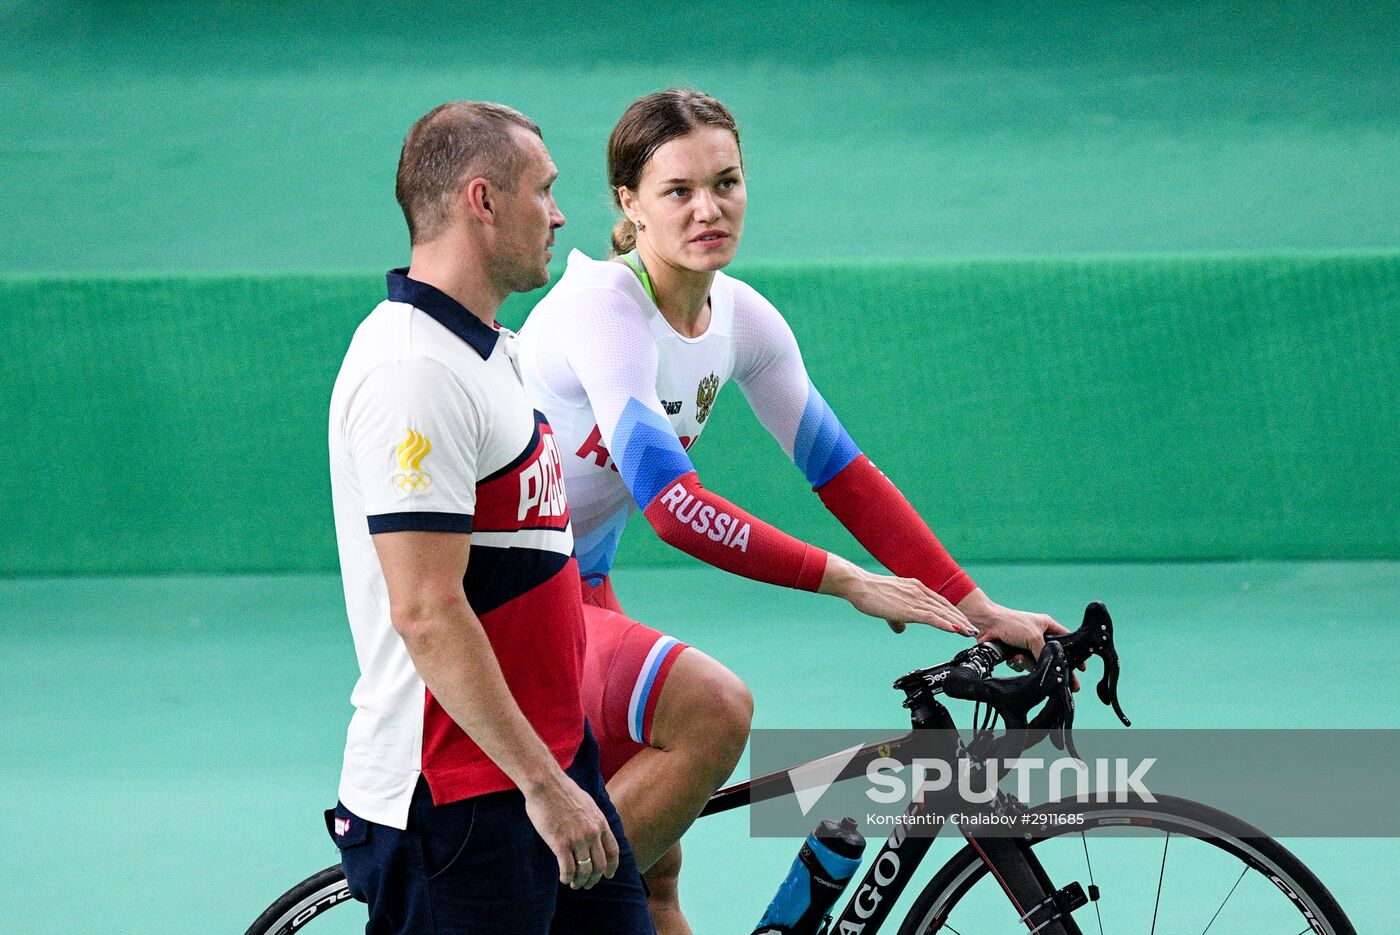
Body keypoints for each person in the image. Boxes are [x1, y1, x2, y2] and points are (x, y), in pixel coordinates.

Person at [516, 89, 1070, 934]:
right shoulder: (604, 310)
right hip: (512, 595)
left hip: (579, 584)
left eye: (727, 182)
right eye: (678, 191)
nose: (710, 209)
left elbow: (843, 473)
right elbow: (673, 508)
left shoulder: (742, 317)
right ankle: (519, 916)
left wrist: (975, 607)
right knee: (713, 711)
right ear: (628, 204)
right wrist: (850, 581)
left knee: (656, 870)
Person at [326, 101, 653, 934]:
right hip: (460, 797)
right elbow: (428, 610)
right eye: (544, 190)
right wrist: (543, 785)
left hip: (544, 767)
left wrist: (557, 770)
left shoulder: (489, 351)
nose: (560, 213)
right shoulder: (414, 372)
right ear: (483, 200)